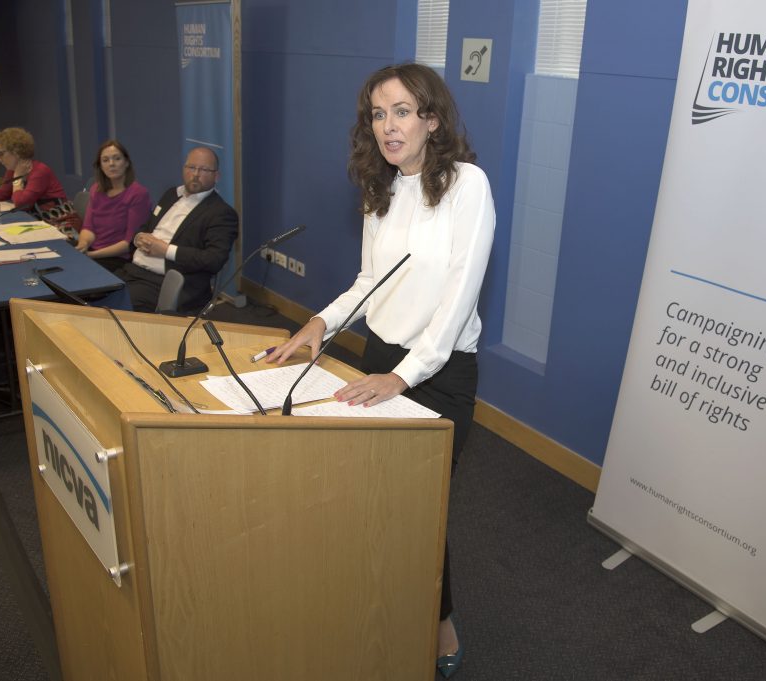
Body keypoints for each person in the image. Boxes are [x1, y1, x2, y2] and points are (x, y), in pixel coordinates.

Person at [266, 63, 495, 678]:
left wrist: (407, 376)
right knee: (370, 497)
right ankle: (376, 607)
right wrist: (321, 323)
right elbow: (371, 281)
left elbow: (459, 296)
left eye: (400, 111)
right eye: (377, 113)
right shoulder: (383, 187)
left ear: (432, 119)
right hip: (382, 357)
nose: (387, 126)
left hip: (441, 372)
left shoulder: (467, 186)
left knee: (420, 508)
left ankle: (439, 620)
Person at [117, 147, 238, 313]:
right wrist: (139, 237)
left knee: (110, 308)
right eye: (191, 167)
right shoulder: (171, 195)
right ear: (184, 169)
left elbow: (214, 259)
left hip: (166, 283)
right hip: (133, 271)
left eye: (204, 169)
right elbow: (148, 226)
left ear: (216, 176)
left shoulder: (221, 213)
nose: (196, 174)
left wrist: (166, 251)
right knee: (91, 294)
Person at [74, 140, 152, 272]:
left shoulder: (138, 194)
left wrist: (92, 255)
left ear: (126, 162)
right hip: (93, 252)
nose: (111, 164)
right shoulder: (96, 189)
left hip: (118, 259)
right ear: (100, 166)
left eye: (117, 158)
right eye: (105, 160)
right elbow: (89, 228)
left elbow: (129, 243)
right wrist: (83, 244)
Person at [0, 127, 67, 212]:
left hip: (60, 224)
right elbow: (2, 193)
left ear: (17, 152)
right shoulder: (12, 170)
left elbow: (21, 204)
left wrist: (17, 179)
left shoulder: (40, 172)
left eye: (1, 154)